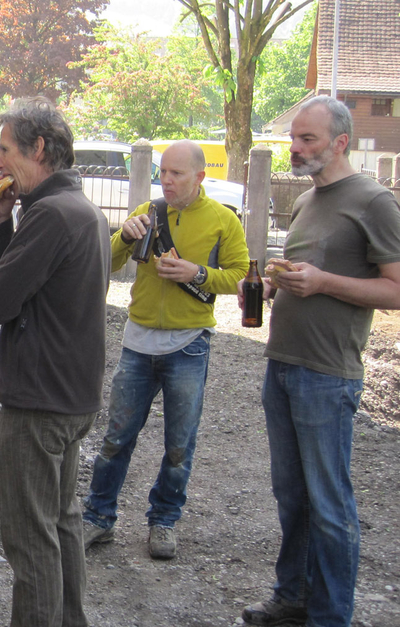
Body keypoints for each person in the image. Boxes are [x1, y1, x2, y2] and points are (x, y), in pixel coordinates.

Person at [238, 96, 400, 627]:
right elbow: (302, 273)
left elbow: (396, 289)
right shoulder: (308, 200)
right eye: (294, 138)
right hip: (282, 362)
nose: (295, 147)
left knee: (330, 505)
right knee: (292, 497)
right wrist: (271, 286)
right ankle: (293, 599)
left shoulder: (374, 201)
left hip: (328, 375)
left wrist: (323, 282)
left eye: (308, 139)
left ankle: (331, 617)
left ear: (340, 143)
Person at [81, 140, 249, 560]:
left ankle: (164, 520)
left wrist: (198, 273)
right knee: (116, 437)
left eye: (177, 173)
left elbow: (241, 275)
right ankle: (98, 517)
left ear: (200, 177)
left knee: (178, 445)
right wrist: (124, 235)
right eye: (164, 173)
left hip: (188, 344)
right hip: (138, 343)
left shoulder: (223, 220)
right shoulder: (147, 212)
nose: (167, 181)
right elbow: (106, 262)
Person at [0, 97, 110, 626]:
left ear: (37, 148)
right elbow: (23, 288)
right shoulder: (81, 209)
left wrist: (7, 228)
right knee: (61, 521)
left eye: (5, 149)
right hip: (72, 396)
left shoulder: (50, 216)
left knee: (31, 539)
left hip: (38, 402)